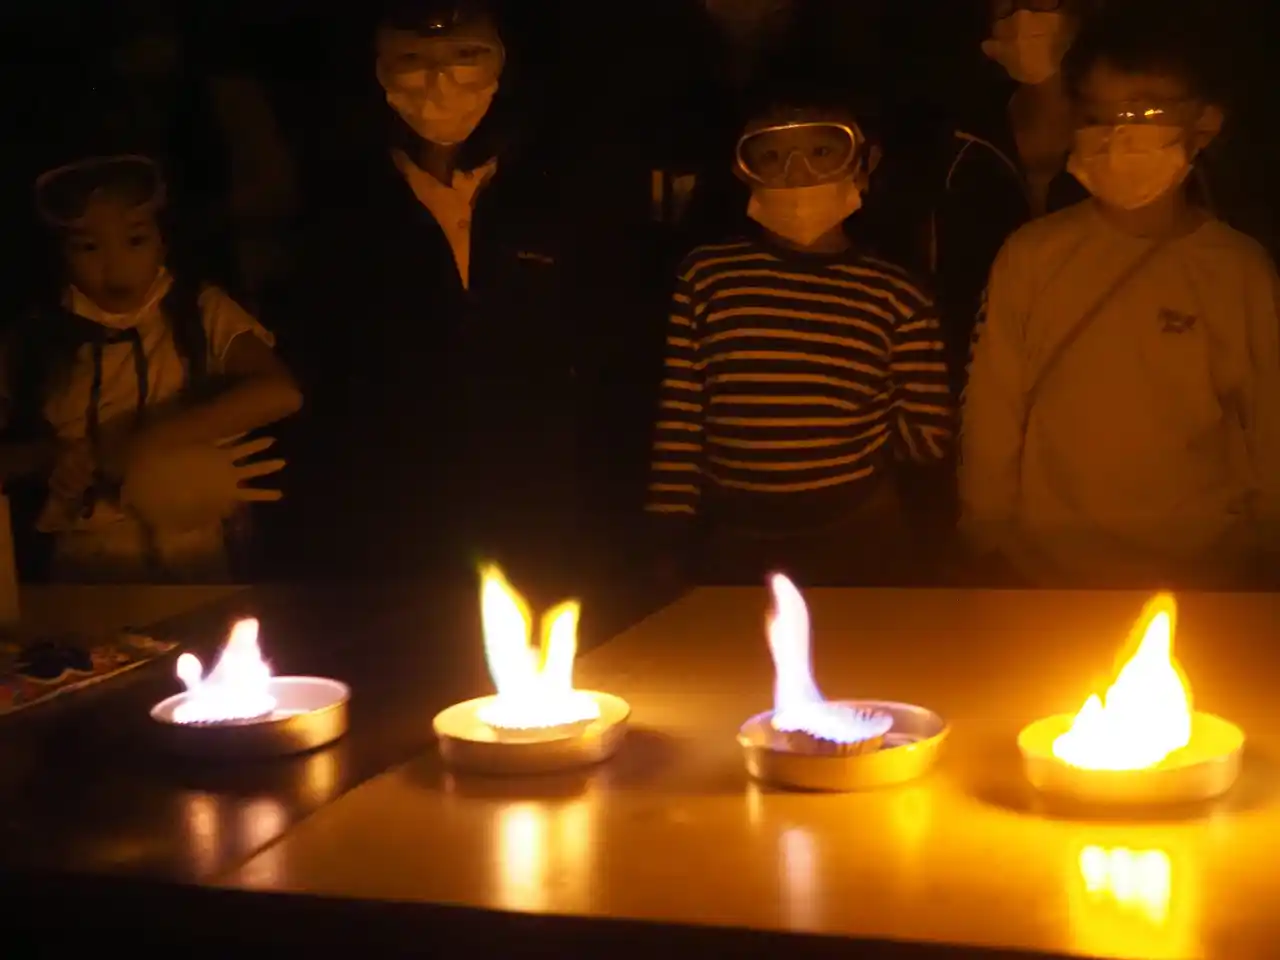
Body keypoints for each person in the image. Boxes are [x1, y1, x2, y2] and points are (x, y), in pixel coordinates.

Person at [959, 3, 1280, 590]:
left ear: (1205, 123)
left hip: (1202, 570)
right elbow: (993, 406)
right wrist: (985, 529)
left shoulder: (1239, 269)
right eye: (1098, 115)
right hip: (1049, 568)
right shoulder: (1032, 255)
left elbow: (1267, 423)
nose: (1120, 132)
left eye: (1146, 111)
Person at [281, 0, 584, 600]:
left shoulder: (556, 194)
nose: (439, 82)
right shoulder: (342, 211)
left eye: (465, 56)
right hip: (394, 531)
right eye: (412, 59)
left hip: (542, 515)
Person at [644, 80, 954, 587]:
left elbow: (928, 436)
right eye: (771, 155)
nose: (797, 172)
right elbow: (680, 419)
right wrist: (667, 533)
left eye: (821, 152)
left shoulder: (898, 294)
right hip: (736, 538)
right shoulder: (706, 277)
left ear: (864, 160)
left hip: (859, 536)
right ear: (742, 168)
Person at [0, 153, 302, 583]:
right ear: (60, 252)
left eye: (135, 239)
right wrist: (47, 457)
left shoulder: (199, 311)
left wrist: (147, 443)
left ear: (162, 240)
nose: (115, 265)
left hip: (195, 544)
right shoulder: (32, 338)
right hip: (87, 558)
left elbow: (280, 392)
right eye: (89, 247)